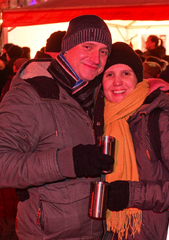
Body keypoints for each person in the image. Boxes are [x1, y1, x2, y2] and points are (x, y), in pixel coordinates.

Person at [0, 15, 114, 239]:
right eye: (87, 46)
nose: (96, 58)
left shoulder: (98, 95)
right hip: (50, 233)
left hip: (96, 230)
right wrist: (67, 162)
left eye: (103, 51)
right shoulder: (29, 96)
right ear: (67, 48)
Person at [93, 42, 169, 240]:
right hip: (103, 231)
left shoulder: (158, 119)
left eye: (125, 74)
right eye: (109, 74)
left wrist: (132, 195)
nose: (117, 82)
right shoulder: (94, 120)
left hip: (148, 232)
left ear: (137, 78)